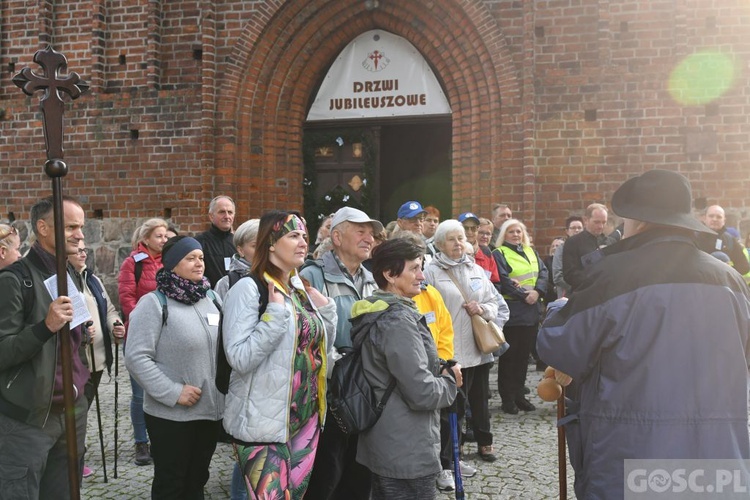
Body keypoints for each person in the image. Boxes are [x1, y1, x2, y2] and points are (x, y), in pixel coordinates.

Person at [538, 169, 750, 499]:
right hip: (717, 456)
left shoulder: (611, 275)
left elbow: (562, 346)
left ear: (638, 222)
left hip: (631, 454)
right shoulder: (730, 280)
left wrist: (557, 309)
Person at [222, 211, 337, 499]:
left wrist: (326, 313)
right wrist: (273, 316)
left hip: (305, 419)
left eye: (304, 236)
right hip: (263, 424)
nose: (303, 242)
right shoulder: (248, 289)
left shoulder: (300, 291)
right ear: (271, 243)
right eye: (293, 235)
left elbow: (318, 352)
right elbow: (239, 358)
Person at [350, 238, 461, 500]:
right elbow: (421, 391)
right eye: (414, 268)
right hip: (405, 447)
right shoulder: (397, 320)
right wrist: (450, 382)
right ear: (389, 274)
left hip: (390, 438)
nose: (422, 276)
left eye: (421, 267)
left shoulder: (383, 311)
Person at [0, 196, 89, 499]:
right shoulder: (14, 281)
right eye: (71, 227)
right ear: (43, 228)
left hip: (74, 413)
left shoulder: (68, 275)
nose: (80, 234)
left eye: (82, 227)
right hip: (30, 418)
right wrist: (44, 327)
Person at [125, 235, 225, 499]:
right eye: (190, 258)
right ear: (171, 264)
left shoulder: (211, 298)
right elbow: (136, 357)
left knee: (197, 480)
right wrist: (173, 392)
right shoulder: (154, 303)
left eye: (201, 257)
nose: (198, 263)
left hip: (209, 412)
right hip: (171, 416)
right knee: (171, 484)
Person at [304, 207, 382, 500]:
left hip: (367, 388)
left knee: (360, 472)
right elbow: (307, 333)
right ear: (336, 237)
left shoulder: (372, 277)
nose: (368, 237)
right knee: (327, 473)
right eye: (360, 231)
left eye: (371, 232)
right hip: (330, 391)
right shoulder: (313, 275)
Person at [424, 220, 505, 463]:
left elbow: (498, 304)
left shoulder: (476, 270)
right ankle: (450, 457)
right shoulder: (430, 272)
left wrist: (482, 308)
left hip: (478, 348)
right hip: (451, 352)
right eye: (452, 239)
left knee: (480, 401)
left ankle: (485, 442)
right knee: (453, 407)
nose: (458, 243)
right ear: (439, 244)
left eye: (461, 238)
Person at [68, 240, 126, 478]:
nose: (83, 253)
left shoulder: (92, 279)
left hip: (98, 359)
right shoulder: (63, 281)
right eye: (77, 250)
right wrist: (80, 332)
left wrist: (115, 325)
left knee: (82, 412)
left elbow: (109, 309)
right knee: (74, 415)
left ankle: (76, 461)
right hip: (76, 361)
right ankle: (72, 463)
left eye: (84, 250)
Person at [118, 217, 169, 466]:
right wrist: (145, 323)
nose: (164, 240)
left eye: (166, 236)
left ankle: (161, 439)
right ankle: (141, 442)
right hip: (139, 334)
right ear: (146, 238)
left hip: (167, 336)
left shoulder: (171, 261)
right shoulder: (133, 263)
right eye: (159, 236)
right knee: (140, 395)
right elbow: (126, 298)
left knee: (162, 390)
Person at [492, 219, 549, 413]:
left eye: (518, 231)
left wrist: (538, 292)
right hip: (513, 310)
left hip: (531, 312)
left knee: (524, 358)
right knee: (509, 357)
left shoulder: (531, 251)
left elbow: (543, 273)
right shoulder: (499, 253)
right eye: (511, 232)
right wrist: (525, 295)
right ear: (504, 235)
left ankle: (519, 395)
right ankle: (507, 398)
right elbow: (503, 279)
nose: (516, 235)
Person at [560, 203, 610, 292]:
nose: (601, 226)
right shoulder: (573, 242)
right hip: (583, 294)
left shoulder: (609, 242)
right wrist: (595, 279)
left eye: (604, 222)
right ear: (586, 220)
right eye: (597, 222)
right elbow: (569, 275)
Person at [195, 195, 236, 287]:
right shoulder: (200, 242)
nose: (227, 216)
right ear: (211, 216)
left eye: (230, 212)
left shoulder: (239, 242)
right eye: (222, 212)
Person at [213, 219, 260, 300]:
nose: (262, 250)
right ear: (241, 250)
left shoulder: (280, 277)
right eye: (255, 246)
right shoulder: (226, 283)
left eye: (265, 244)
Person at [699, 205, 750, 274]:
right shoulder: (695, 238)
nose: (714, 219)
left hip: (723, 282)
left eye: (719, 217)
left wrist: (728, 271)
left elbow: (744, 267)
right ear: (705, 219)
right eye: (711, 216)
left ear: (724, 221)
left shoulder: (730, 240)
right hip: (701, 281)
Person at [551, 216, 584, 298]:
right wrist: (576, 288)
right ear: (567, 231)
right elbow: (557, 276)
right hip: (566, 295)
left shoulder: (586, 247)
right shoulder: (561, 249)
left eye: (579, 228)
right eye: (573, 228)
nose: (577, 230)